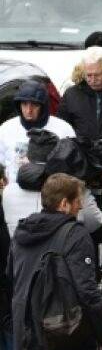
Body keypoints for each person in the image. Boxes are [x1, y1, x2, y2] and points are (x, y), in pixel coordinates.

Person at [8, 173, 102, 350]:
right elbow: (88, 292)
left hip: (25, 334)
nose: (80, 206)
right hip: (61, 336)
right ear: (64, 204)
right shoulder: (76, 235)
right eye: (77, 201)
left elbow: (10, 279)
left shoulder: (21, 231)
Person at [0, 80, 76, 236]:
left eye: (34, 105)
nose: (28, 110)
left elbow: (73, 167)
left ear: (43, 106)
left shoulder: (62, 129)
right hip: (15, 198)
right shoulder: (6, 129)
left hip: (50, 200)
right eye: (24, 104)